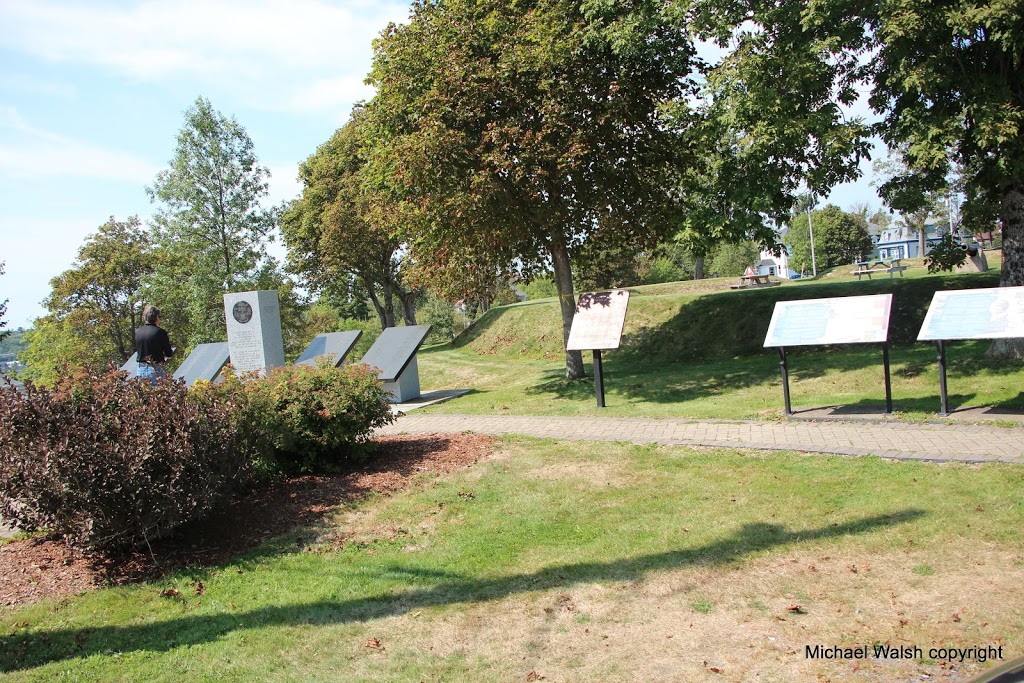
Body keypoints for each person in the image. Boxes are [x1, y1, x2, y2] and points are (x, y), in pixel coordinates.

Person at [134, 305, 174, 385]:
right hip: (156, 369)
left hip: (141, 369)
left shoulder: (138, 332)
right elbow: (168, 353)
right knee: (159, 394)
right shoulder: (160, 332)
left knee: (144, 395)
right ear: (156, 317)